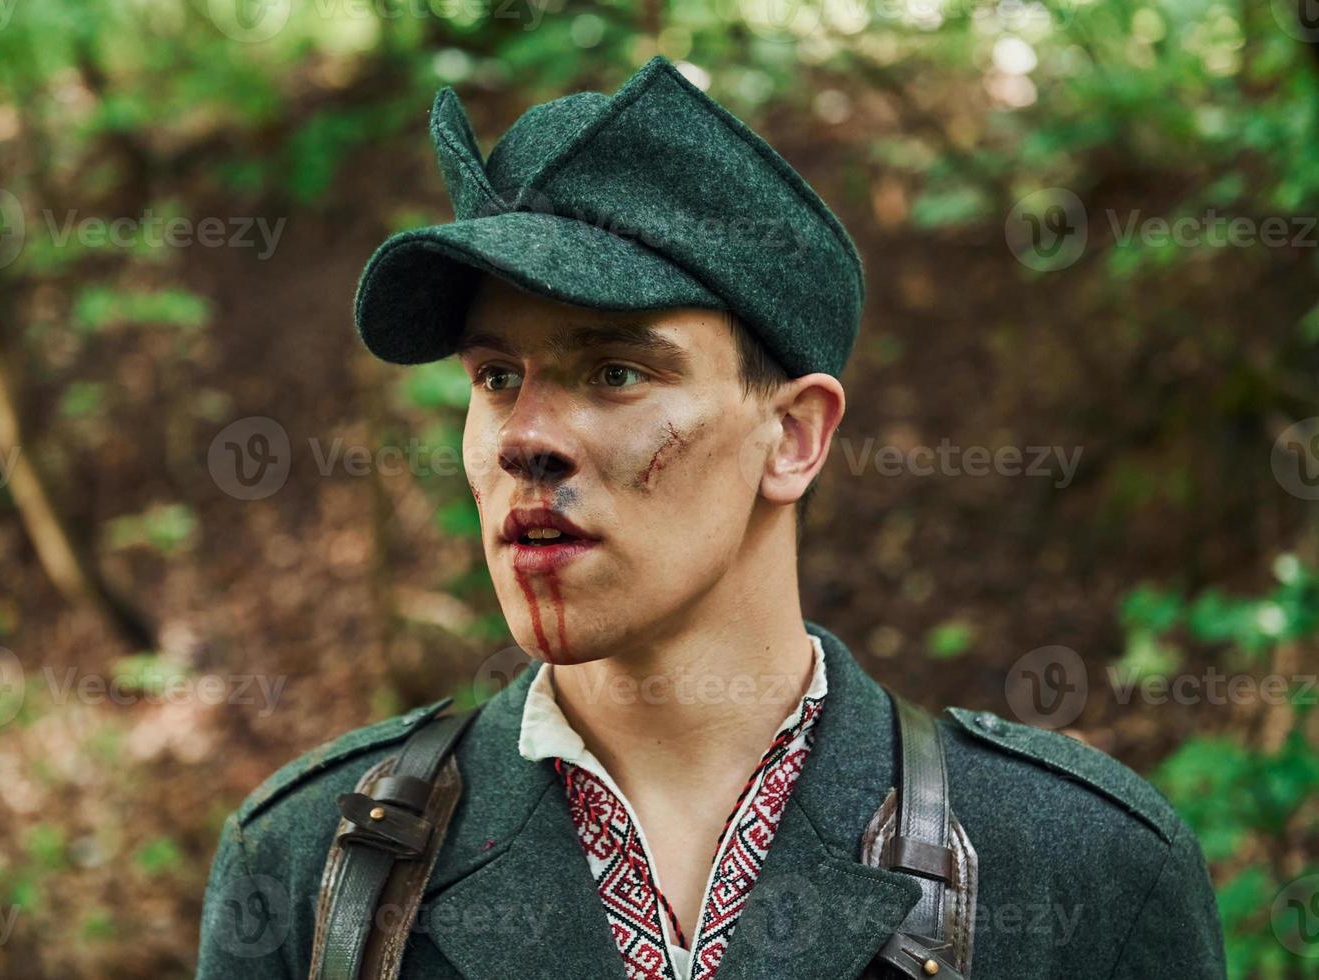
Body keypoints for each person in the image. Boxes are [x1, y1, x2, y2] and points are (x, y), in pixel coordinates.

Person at [197, 56, 1224, 980]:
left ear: (793, 437)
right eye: (497, 375)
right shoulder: (311, 869)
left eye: (614, 370)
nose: (525, 437)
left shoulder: (1084, 871)